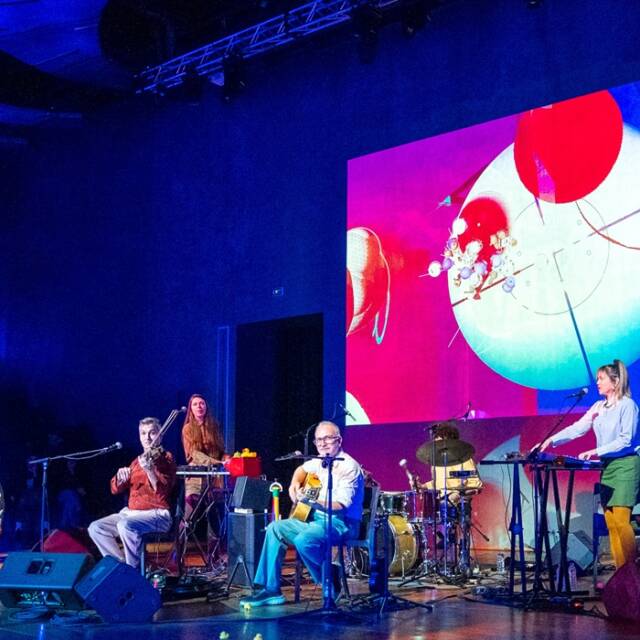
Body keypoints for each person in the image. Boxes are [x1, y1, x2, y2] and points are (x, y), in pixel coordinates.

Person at [240, 421, 364, 607]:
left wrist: (311, 501)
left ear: (339, 440)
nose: (322, 443)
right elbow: (301, 469)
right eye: (318, 440)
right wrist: (294, 485)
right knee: (275, 528)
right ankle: (271, 590)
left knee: (304, 540)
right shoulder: (320, 461)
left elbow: (340, 505)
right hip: (315, 520)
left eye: (327, 438)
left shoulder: (349, 466)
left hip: (341, 522)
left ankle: (330, 578)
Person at [535, 359, 640, 569]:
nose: (597, 382)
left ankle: (633, 572)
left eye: (601, 378)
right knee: (611, 524)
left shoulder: (627, 405)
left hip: (625, 465)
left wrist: (595, 451)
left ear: (615, 382)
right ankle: (621, 573)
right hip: (607, 467)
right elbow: (578, 428)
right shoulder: (598, 407)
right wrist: (551, 440)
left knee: (621, 521)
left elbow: (626, 440)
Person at [88, 417, 176, 568]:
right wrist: (120, 477)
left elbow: (162, 492)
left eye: (152, 433)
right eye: (143, 433)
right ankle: (119, 566)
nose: (147, 438)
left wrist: (150, 470)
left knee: (125, 525)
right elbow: (115, 490)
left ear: (160, 436)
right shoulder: (136, 462)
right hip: (131, 513)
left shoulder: (166, 459)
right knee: (96, 528)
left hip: (157, 514)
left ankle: (133, 570)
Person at [181, 394, 226, 520]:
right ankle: (182, 533)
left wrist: (227, 459)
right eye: (195, 404)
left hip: (214, 477)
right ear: (191, 409)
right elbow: (194, 453)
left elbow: (221, 450)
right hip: (196, 477)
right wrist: (215, 462)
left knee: (214, 515)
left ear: (206, 406)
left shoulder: (214, 426)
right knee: (190, 516)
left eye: (202, 403)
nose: (199, 406)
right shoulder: (188, 429)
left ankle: (214, 535)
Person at [417, 422, 483, 503]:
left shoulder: (463, 459)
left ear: (450, 441)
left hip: (460, 504)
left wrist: (458, 494)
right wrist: (422, 486)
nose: (437, 444)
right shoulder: (437, 461)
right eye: (436, 441)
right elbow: (439, 483)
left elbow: (476, 484)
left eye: (440, 441)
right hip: (441, 503)